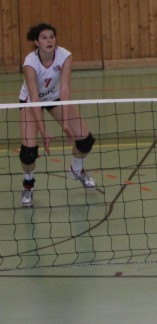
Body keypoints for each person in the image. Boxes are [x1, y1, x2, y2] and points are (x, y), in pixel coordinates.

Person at [18, 22, 97, 208]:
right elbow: (34, 98)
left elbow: (65, 89)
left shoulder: (64, 56)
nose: (49, 41)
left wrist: (66, 123)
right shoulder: (30, 63)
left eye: (51, 37)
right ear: (36, 42)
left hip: (55, 98)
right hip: (31, 102)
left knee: (85, 140)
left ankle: (76, 170)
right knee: (29, 153)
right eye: (44, 38)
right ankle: (28, 185)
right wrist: (43, 131)